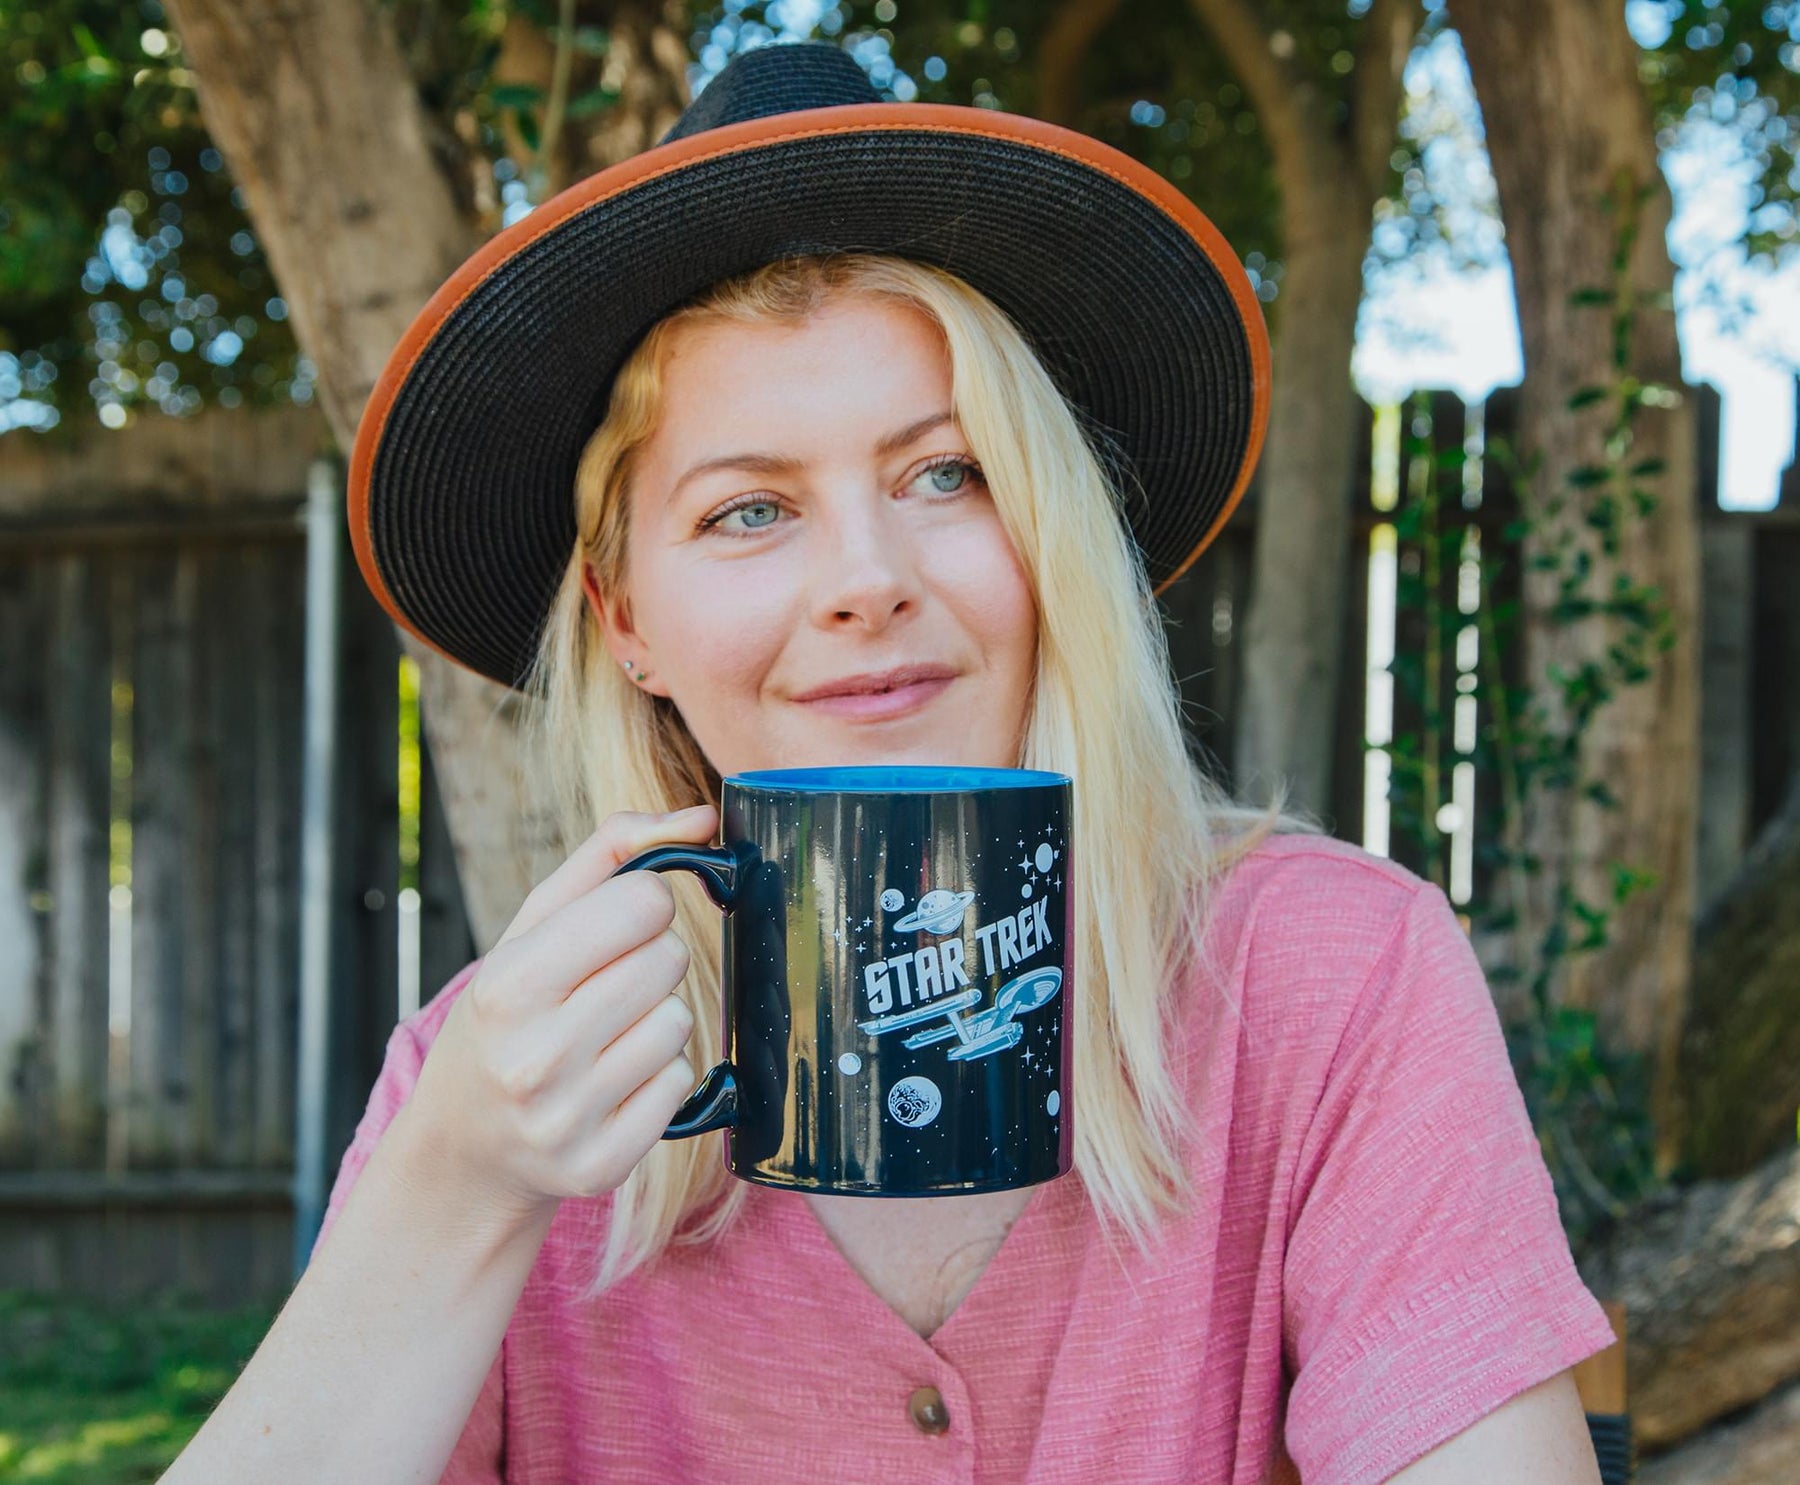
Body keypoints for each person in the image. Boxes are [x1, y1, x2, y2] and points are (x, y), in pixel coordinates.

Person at [159, 40, 1617, 1485]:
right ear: (629, 622)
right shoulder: (499, 1082)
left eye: (948, 472)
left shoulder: (1328, 982)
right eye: (748, 510)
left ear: (1055, 544)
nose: (867, 578)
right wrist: (458, 1182)